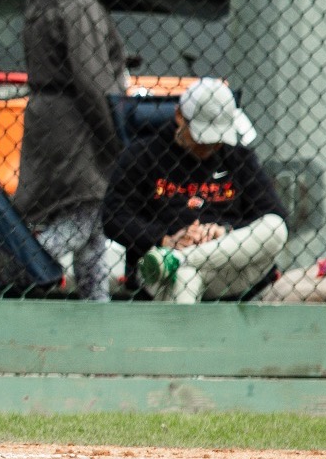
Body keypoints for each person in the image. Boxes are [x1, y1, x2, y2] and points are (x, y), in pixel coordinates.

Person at [14, 0, 126, 301]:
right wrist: (118, 132)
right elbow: (93, 80)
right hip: (79, 126)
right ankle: (16, 265)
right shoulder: (79, 4)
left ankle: (97, 312)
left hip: (51, 121)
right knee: (83, 215)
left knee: (93, 226)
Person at [102, 79, 288, 303]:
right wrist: (166, 239)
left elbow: (273, 214)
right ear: (180, 116)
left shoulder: (239, 158)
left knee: (275, 227)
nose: (211, 146)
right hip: (161, 272)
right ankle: (175, 262)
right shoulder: (143, 155)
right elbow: (114, 216)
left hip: (228, 263)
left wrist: (223, 231)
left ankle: (176, 258)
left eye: (218, 138)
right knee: (185, 277)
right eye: (203, 137)